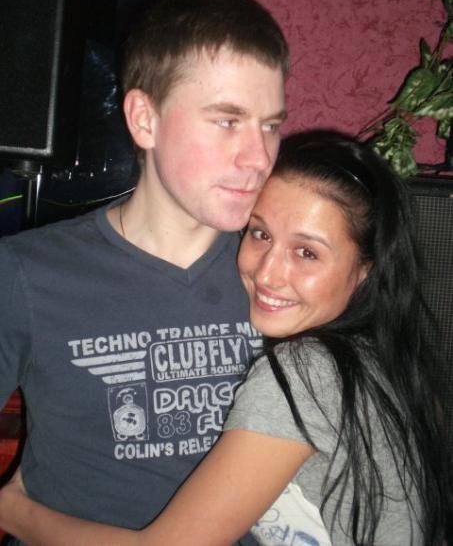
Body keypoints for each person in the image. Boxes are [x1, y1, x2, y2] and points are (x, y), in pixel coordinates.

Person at [1, 135, 451, 545]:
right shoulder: (390, 358)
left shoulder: (306, 372)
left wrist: (14, 509)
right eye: (261, 234)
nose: (268, 273)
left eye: (306, 252)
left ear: (366, 270)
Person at [0, 0, 288, 543]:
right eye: (227, 120)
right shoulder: (25, 273)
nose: (259, 158)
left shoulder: (282, 276)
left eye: (271, 125)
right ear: (144, 119)